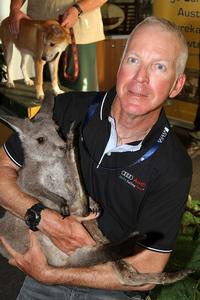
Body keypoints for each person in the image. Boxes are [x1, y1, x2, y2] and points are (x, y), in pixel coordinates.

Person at [0, 16, 192, 300]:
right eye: (134, 60)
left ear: (176, 85)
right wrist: (42, 218)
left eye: (159, 67)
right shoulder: (65, 110)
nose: (141, 78)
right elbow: (2, 170)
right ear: (120, 65)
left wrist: (55, 275)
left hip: (107, 281)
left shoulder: (173, 166)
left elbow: (147, 268)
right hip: (34, 256)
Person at [8, 0, 107, 91]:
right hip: (42, 29)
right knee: (48, 97)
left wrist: (78, 9)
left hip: (79, 29)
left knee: (80, 97)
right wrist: (14, 9)